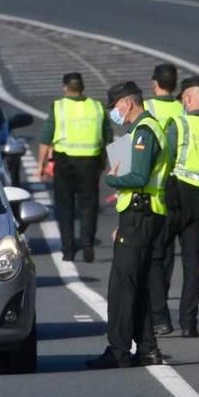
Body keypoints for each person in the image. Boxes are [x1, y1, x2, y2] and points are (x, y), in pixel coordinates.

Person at [86, 81, 168, 370]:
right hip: (140, 215)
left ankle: (118, 350)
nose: (114, 113)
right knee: (139, 283)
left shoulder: (145, 131)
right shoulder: (139, 131)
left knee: (122, 285)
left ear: (127, 103)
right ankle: (147, 349)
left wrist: (112, 177)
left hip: (141, 214)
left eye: (115, 107)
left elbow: (139, 177)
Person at [148, 76, 199, 339]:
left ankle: (161, 319)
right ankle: (189, 323)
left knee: (158, 256)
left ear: (186, 99)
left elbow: (164, 162)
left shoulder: (179, 125)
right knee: (193, 264)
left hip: (175, 197)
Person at [36, 73, 112, 262]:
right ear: (82, 87)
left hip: (65, 162)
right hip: (90, 162)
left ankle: (68, 250)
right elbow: (108, 137)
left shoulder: (59, 107)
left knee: (65, 207)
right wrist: (112, 164)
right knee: (89, 206)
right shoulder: (96, 106)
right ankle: (87, 244)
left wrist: (41, 165)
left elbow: (46, 138)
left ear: (65, 87)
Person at [144, 63, 185, 335]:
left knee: (154, 253)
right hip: (181, 186)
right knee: (168, 252)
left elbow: (121, 124)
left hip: (154, 185)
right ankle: (162, 297)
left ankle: (158, 312)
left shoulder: (147, 107)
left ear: (154, 82)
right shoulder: (183, 109)